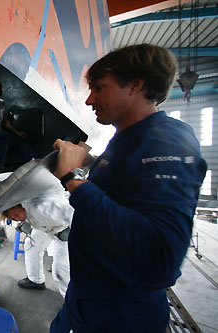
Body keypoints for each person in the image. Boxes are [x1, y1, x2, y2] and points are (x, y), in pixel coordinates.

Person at [50, 44, 207, 332]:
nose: (88, 100)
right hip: (88, 299)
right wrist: (88, 161)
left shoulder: (166, 142)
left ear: (136, 85)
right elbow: (126, 186)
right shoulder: (130, 138)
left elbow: (161, 257)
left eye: (99, 88)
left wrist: (73, 180)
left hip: (121, 315)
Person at [2, 184, 73, 297]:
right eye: (13, 218)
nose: (17, 219)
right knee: (31, 244)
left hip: (64, 229)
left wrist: (78, 233)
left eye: (16, 215)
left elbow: (74, 213)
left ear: (21, 205)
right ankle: (36, 280)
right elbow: (28, 218)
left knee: (60, 270)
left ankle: (71, 301)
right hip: (49, 227)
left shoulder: (43, 207)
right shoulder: (26, 209)